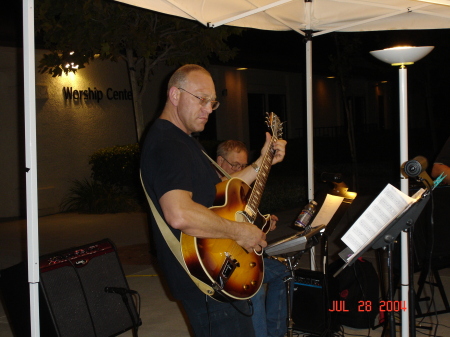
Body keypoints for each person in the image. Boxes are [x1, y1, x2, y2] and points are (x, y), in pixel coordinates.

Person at [140, 64, 287, 337]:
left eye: (213, 102)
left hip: (216, 268)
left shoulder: (183, 141)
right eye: (201, 99)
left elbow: (224, 192)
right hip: (205, 277)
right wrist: (240, 231)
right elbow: (180, 214)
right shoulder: (167, 144)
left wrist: (262, 162)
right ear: (175, 94)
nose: (208, 109)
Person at [216, 140, 291, 337]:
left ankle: (275, 333)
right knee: (254, 290)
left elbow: (245, 224)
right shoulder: (213, 190)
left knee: (284, 271)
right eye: (235, 165)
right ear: (219, 161)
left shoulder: (242, 190)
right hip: (221, 261)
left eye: (243, 165)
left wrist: (264, 223)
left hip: (246, 256)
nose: (240, 170)